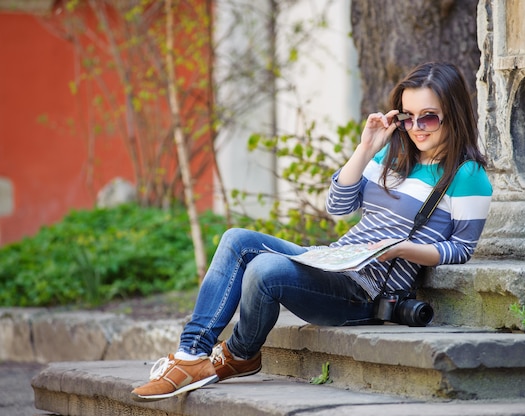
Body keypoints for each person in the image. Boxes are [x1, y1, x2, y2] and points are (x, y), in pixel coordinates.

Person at [131, 61, 493, 401]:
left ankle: (239, 353)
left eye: (427, 119)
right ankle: (190, 353)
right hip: (337, 262)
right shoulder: (392, 158)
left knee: (264, 270)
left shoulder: (466, 175)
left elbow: (460, 249)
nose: (415, 129)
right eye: (407, 118)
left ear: (453, 115)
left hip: (365, 291)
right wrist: (366, 148)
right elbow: (337, 207)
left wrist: (401, 249)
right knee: (236, 239)